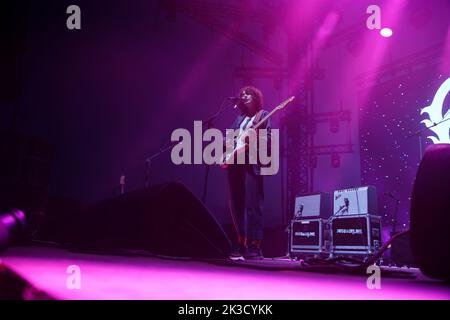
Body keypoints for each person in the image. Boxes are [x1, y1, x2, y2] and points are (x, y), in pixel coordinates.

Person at [225, 86, 271, 259]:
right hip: (235, 164)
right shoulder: (240, 119)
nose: (243, 95)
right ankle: (241, 243)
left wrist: (253, 139)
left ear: (256, 97)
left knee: (253, 205)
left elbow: (268, 139)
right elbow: (229, 138)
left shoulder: (263, 115)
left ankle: (255, 246)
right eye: (241, 94)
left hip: (251, 164)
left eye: (247, 94)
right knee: (237, 204)